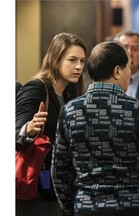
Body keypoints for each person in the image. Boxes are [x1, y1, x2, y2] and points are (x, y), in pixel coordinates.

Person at [51, 41, 139, 216]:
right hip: (131, 208)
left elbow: (59, 170)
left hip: (86, 207)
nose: (129, 74)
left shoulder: (69, 111)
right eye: (127, 68)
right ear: (116, 71)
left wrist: (71, 207)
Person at [16, 32, 87, 216]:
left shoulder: (71, 95)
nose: (79, 66)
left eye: (82, 61)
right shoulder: (36, 88)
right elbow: (15, 134)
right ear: (56, 60)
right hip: (39, 189)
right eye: (72, 60)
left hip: (63, 189)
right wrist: (29, 129)